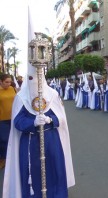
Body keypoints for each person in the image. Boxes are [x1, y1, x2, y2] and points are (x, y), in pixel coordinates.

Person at [3, 9, 75, 197]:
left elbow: (61, 117)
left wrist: (51, 119)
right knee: (33, 177)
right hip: (30, 143)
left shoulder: (52, 94)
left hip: (52, 140)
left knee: (55, 172)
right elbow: (17, 123)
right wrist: (32, 123)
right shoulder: (21, 97)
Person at [0, 74, 16, 169]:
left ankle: (11, 159)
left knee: (13, 139)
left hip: (13, 118)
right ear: (1, 81)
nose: (9, 84)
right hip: (2, 119)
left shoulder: (12, 89)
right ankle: (3, 159)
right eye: (6, 82)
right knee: (3, 140)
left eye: (10, 82)